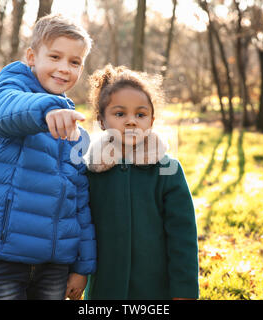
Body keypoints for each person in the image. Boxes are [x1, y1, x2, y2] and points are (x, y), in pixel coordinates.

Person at [0, 14, 96, 300]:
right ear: (31, 56)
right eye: (55, 57)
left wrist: (82, 266)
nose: (64, 68)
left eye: (74, 62)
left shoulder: (72, 124)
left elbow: (80, 201)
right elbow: (7, 110)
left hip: (55, 263)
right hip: (5, 256)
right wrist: (48, 110)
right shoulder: (11, 87)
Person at [84, 65, 199, 300]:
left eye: (140, 114)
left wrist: (184, 290)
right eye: (119, 114)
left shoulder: (168, 172)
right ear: (101, 121)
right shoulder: (90, 173)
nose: (131, 122)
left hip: (155, 290)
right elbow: (80, 228)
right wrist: (77, 272)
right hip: (104, 289)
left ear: (152, 120)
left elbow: (183, 236)